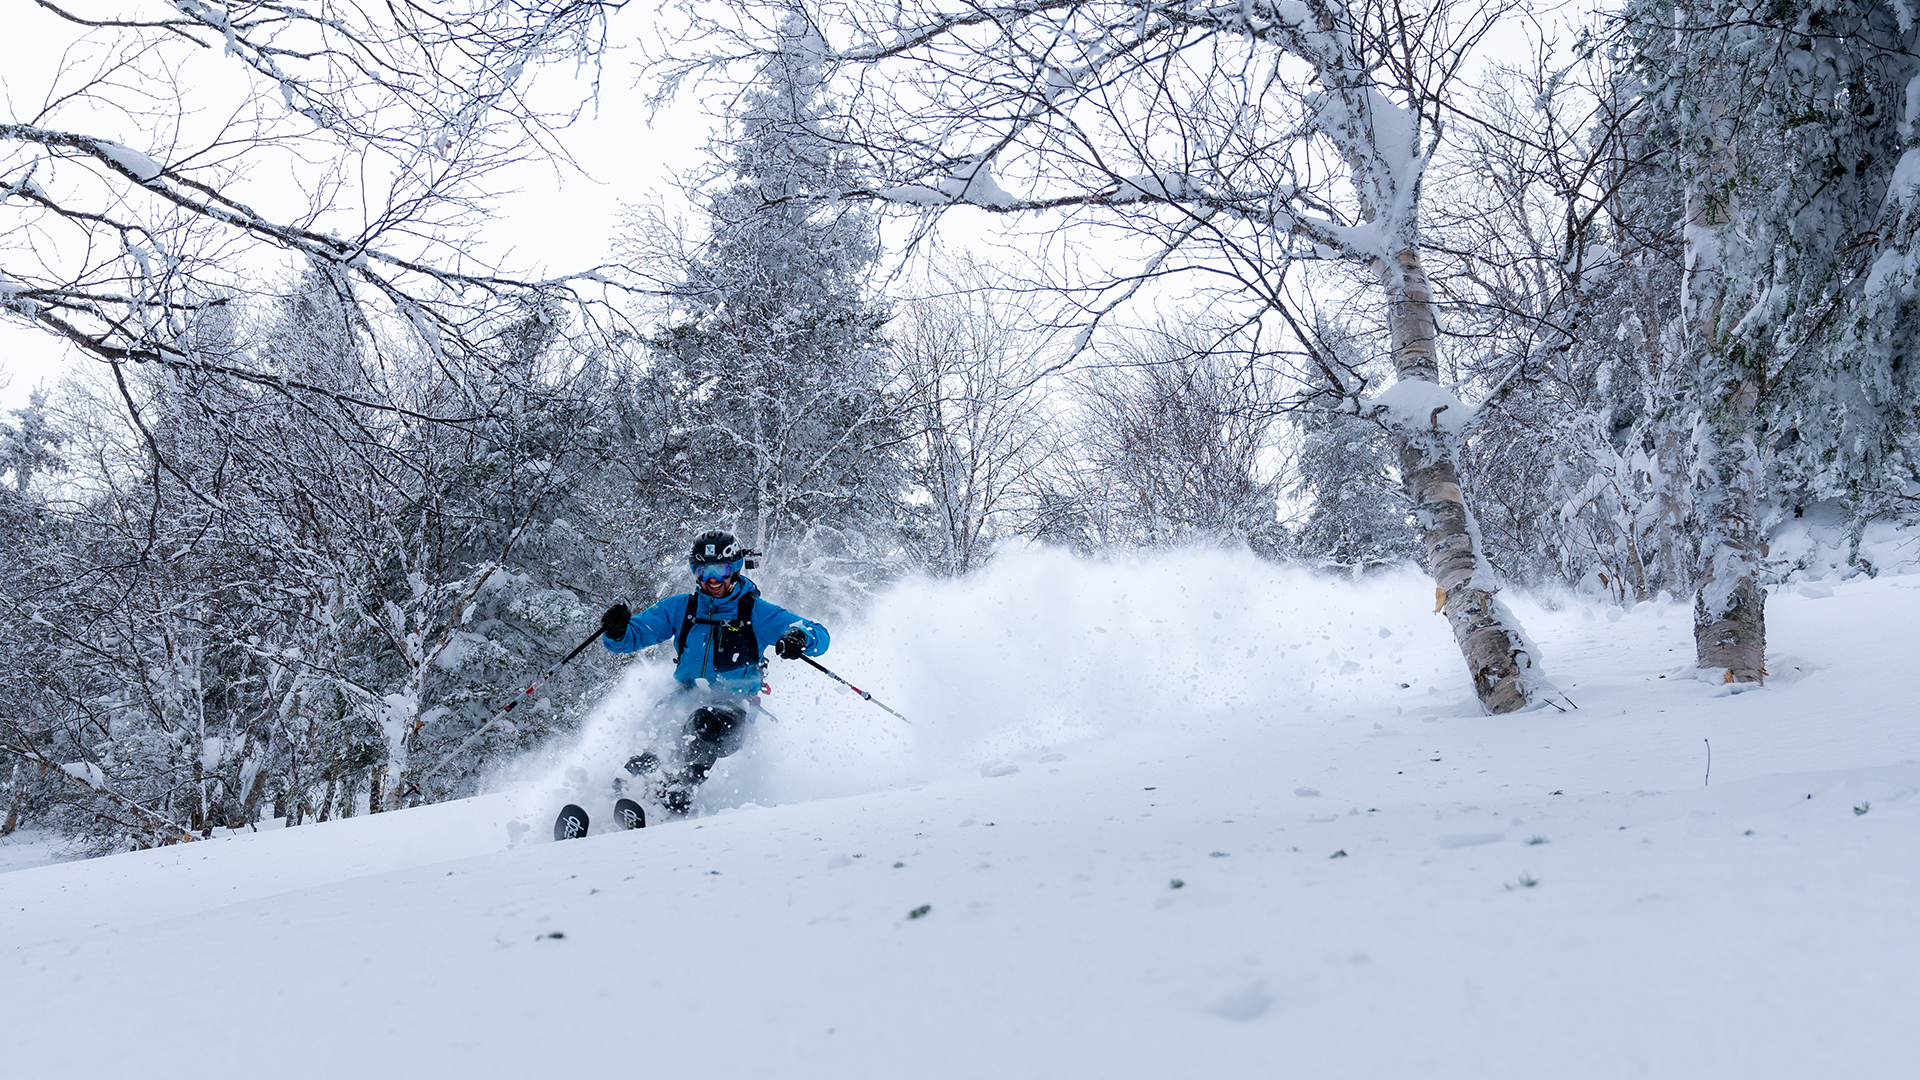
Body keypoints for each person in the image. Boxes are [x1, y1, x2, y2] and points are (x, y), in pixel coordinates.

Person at [598, 530, 829, 815]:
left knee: (702, 722)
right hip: (683, 699)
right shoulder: (682, 608)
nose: (713, 580)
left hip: (734, 708)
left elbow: (817, 632)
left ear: (733, 568)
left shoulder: (753, 612)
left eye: (720, 570)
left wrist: (800, 638)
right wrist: (617, 630)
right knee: (654, 738)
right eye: (703, 570)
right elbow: (631, 638)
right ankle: (612, 806)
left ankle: (678, 795)